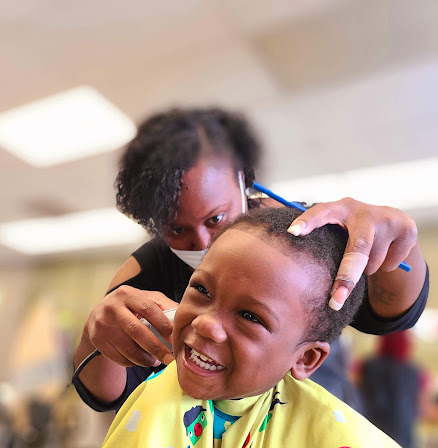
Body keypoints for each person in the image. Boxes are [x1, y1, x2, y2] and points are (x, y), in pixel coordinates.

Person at [72, 208, 438, 448]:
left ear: (307, 358)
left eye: (250, 316)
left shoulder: (335, 440)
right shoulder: (153, 398)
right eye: (201, 289)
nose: (206, 324)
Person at [73, 107, 429, 412]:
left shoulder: (313, 240)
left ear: (242, 179)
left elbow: (390, 313)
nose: (204, 242)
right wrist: (96, 335)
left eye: (215, 218)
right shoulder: (148, 270)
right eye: (176, 229)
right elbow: (107, 392)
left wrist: (394, 242)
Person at [359, 330, 425, 448]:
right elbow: (420, 405)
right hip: (403, 431)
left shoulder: (368, 366)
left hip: (373, 428)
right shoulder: (413, 371)